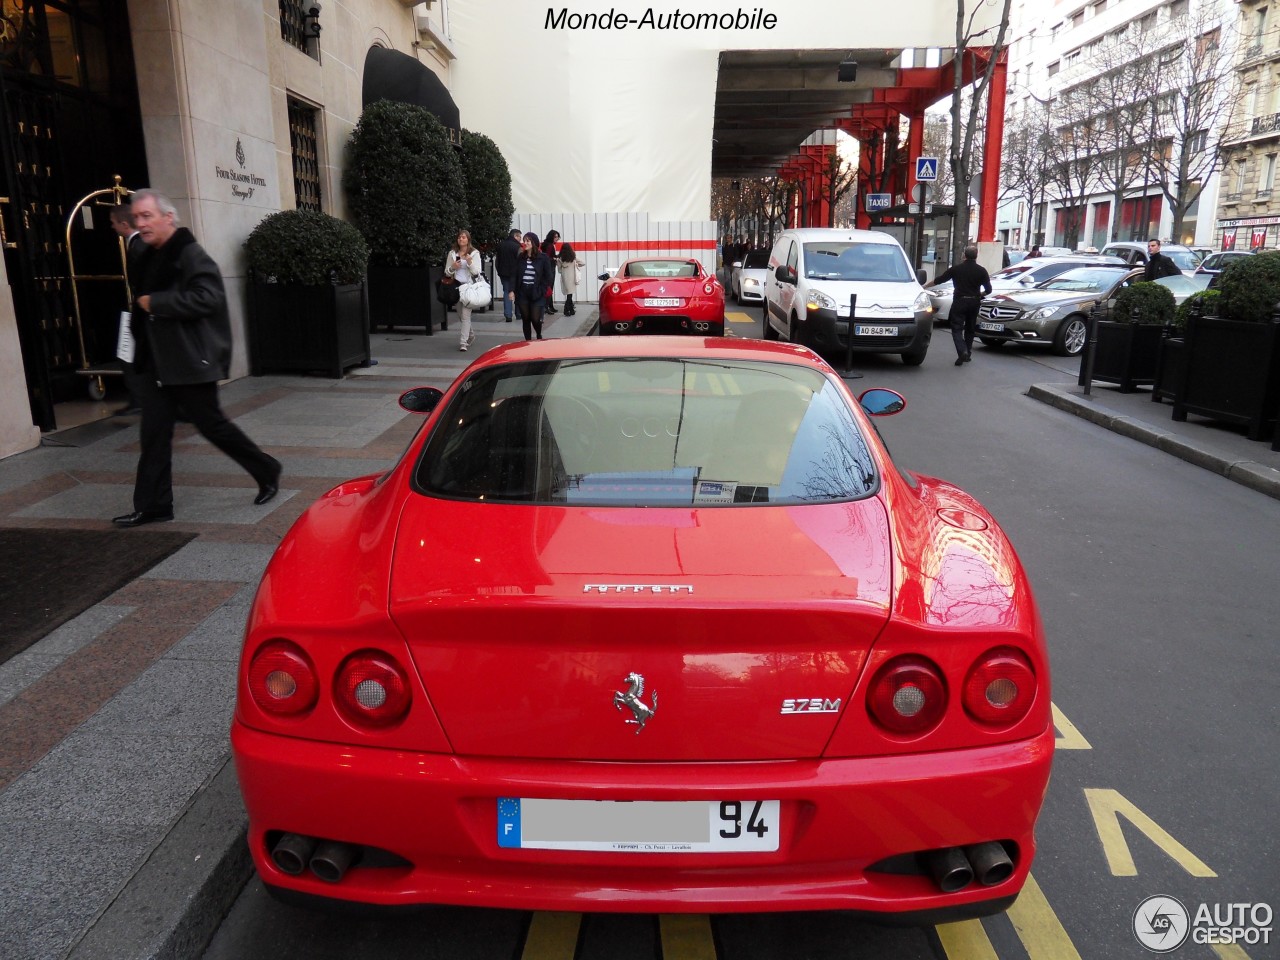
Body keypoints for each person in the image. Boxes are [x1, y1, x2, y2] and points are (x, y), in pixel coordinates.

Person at [112, 189, 280, 527]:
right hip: (158, 362)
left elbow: (208, 298)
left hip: (189, 361)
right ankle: (154, 505)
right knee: (154, 434)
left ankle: (266, 468)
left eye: (148, 216)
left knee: (212, 425)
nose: (141, 224)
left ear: (168, 218)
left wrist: (156, 303)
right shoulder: (145, 253)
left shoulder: (189, 254)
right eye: (137, 218)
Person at [108, 204, 147, 417]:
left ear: (124, 224)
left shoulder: (139, 246)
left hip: (144, 311)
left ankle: (139, 399)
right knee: (129, 354)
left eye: (113, 223)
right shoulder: (139, 244)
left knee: (129, 354)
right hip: (142, 309)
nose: (112, 227)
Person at [925, 244, 991, 366]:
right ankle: (968, 353)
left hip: (960, 301)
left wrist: (923, 286)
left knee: (956, 328)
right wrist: (979, 295)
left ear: (964, 255)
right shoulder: (982, 271)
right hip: (974, 302)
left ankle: (962, 351)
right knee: (970, 328)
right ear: (976, 256)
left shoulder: (956, 269)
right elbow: (989, 290)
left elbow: (939, 280)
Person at [511, 231, 554, 340]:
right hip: (522, 292)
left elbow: (548, 276)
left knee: (535, 319)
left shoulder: (543, 258)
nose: (525, 243)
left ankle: (539, 335)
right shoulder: (521, 257)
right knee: (525, 319)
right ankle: (528, 342)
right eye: (524, 241)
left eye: (528, 241)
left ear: (534, 243)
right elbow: (515, 274)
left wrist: (542, 289)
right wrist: (512, 290)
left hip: (537, 291)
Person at [445, 229, 483, 351]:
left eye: (464, 237)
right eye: (460, 237)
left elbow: (477, 272)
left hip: (469, 288)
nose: (461, 239)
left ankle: (463, 342)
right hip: (456, 287)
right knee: (460, 315)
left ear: (468, 240)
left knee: (466, 316)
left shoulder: (474, 253)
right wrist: (452, 267)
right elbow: (446, 272)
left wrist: (470, 263)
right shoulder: (452, 253)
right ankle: (471, 335)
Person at [495, 227, 522, 324]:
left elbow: (497, 261)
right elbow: (521, 261)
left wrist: (499, 271)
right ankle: (519, 314)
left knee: (506, 292)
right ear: (515, 236)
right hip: (515, 274)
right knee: (518, 292)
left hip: (503, 273)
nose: (520, 239)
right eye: (519, 237)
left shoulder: (501, 245)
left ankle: (508, 315)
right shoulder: (517, 247)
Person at [557, 239, 583, 316]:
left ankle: (570, 310)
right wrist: (576, 265)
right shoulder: (573, 257)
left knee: (568, 293)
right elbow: (583, 262)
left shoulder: (559, 258)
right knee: (570, 294)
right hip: (572, 277)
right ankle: (567, 309)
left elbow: (559, 270)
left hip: (565, 277)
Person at [541, 231, 561, 314]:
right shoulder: (550, 246)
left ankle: (550, 306)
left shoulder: (546, 244)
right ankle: (547, 306)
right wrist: (554, 258)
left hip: (548, 268)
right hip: (550, 268)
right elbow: (548, 257)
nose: (557, 239)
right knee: (549, 287)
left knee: (549, 287)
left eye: (557, 237)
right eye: (555, 237)